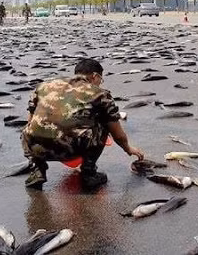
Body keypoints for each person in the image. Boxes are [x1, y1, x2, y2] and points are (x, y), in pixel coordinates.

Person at [21, 58, 145, 190]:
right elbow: (117, 134)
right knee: (104, 123)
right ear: (95, 76)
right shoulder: (100, 94)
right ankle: (89, 173)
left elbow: (30, 120)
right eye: (100, 80)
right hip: (71, 148)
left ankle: (37, 171)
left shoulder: (43, 86)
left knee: (31, 129)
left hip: (36, 148)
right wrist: (128, 148)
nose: (100, 84)